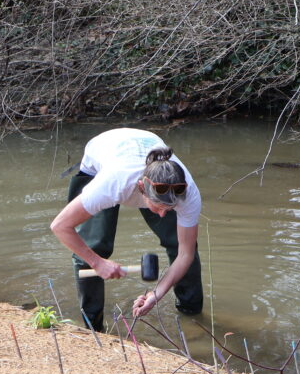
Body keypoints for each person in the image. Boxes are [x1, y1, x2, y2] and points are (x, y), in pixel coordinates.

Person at [50, 128, 203, 331]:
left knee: (178, 243)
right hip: (103, 154)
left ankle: (191, 315)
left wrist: (155, 295)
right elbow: (60, 226)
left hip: (145, 150)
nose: (162, 215)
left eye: (170, 209)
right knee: (94, 247)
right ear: (141, 187)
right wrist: (97, 263)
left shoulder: (187, 193)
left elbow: (185, 254)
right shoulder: (112, 183)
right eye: (157, 208)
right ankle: (93, 327)